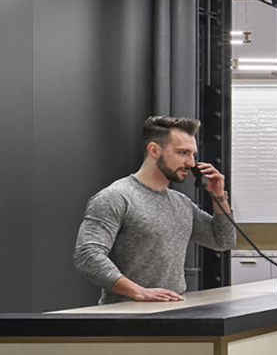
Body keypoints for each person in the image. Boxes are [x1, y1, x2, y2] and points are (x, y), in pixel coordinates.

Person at [73, 116, 237, 304]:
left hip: (173, 312)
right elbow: (87, 254)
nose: (191, 163)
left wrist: (219, 195)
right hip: (124, 318)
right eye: (182, 152)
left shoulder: (181, 203)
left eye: (193, 154)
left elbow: (223, 241)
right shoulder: (116, 197)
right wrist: (137, 291)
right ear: (154, 150)